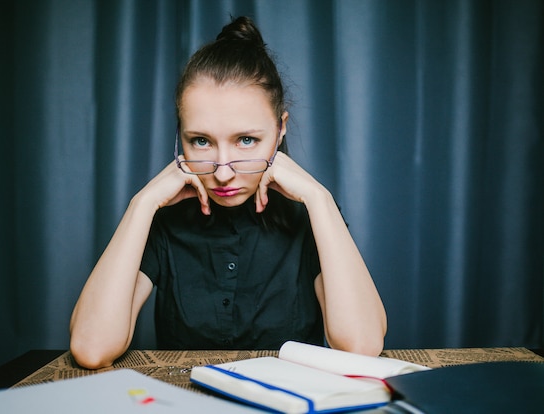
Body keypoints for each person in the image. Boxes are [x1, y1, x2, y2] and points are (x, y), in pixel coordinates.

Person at [69, 16, 386, 369]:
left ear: (280, 129)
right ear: (181, 135)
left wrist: (319, 199)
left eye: (246, 140)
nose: (222, 172)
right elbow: (91, 349)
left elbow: (362, 346)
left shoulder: (310, 216)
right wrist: (140, 205)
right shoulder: (164, 219)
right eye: (201, 141)